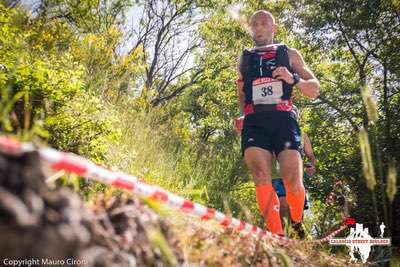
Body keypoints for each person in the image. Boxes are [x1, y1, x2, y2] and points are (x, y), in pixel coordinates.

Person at [233, 10, 320, 236]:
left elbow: (315, 89)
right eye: (255, 24)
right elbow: (242, 92)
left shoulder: (289, 54)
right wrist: (243, 114)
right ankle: (277, 236)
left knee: (292, 181)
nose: (259, 27)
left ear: (274, 28)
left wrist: (295, 79)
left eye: (264, 23)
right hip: (255, 122)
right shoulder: (245, 58)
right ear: (251, 29)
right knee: (261, 176)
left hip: (284, 120)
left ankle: (297, 220)